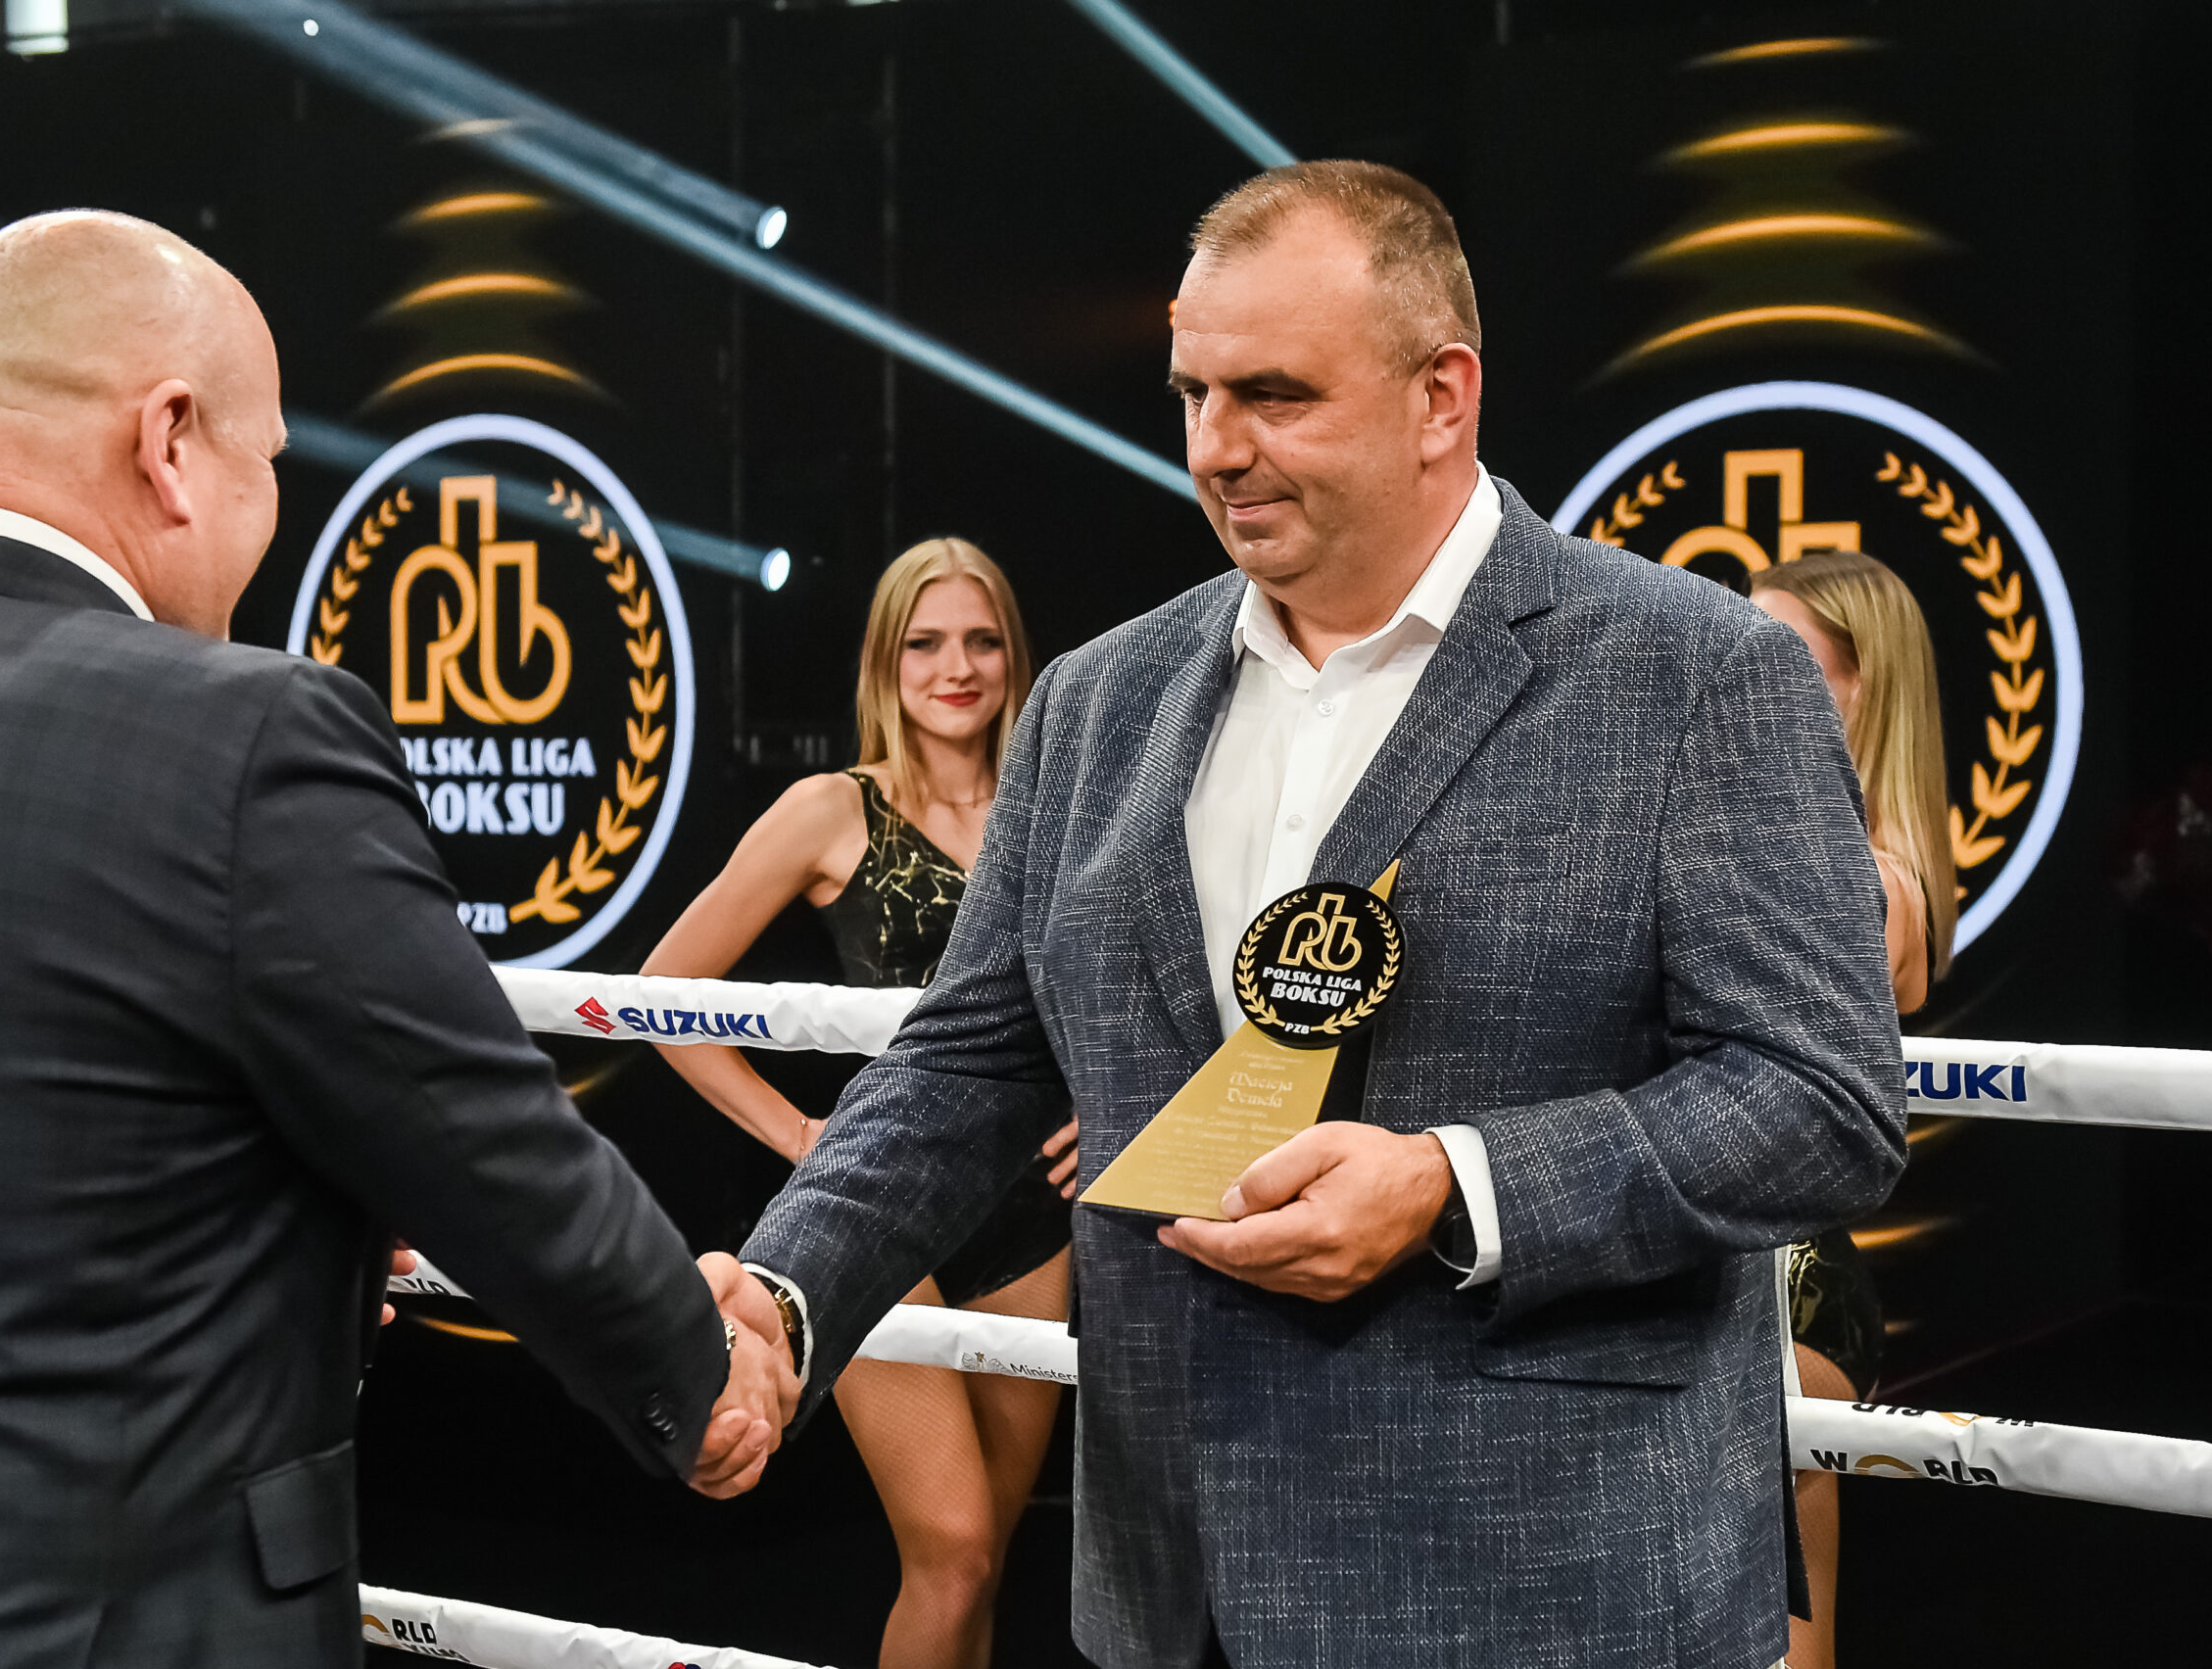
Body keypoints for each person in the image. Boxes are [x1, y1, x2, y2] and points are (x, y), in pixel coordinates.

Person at [736, 160, 1907, 1667]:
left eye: (1275, 395)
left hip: (1545, 1593)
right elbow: (965, 1064)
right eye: (1193, 394)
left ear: (1441, 398)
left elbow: (1821, 1103)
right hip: (1176, 1589)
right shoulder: (1095, 702)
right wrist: (780, 1293)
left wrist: (1455, 1185)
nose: (1216, 447)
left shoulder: (1696, 672)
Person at [0, 211, 793, 1667]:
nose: (268, 513)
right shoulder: (244, 733)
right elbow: (491, 1151)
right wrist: (696, 1371)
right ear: (169, 442)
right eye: (267, 459)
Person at [642, 538, 1076, 1669]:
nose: (956, 668)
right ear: (886, 661)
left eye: (981, 641)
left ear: (1016, 656)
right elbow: (662, 993)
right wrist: (796, 1133)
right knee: (954, 1552)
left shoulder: (1057, 806)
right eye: (925, 643)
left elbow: (1117, 993)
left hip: (1036, 1225)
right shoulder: (833, 808)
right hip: (887, 1216)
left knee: (992, 1557)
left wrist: (1106, 1106)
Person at [1754, 549, 1956, 1669]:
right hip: (1711, 1262)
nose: (1740, 679)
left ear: (1861, 688)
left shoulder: (1874, 882)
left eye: (1778, 659)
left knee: (1792, 1630)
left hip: (1792, 1288)